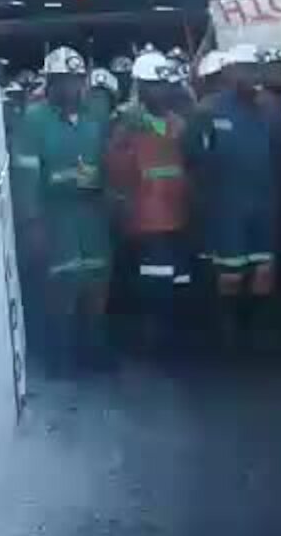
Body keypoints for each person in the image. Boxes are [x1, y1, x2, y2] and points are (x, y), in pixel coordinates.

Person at [11, 46, 113, 375]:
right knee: (61, 285)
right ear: (51, 83)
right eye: (65, 81)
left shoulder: (93, 117)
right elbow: (25, 176)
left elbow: (107, 163)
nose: (72, 87)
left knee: (96, 279)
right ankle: (59, 355)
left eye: (77, 80)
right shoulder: (34, 120)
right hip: (54, 214)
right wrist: (32, 223)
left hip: (91, 212)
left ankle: (93, 348)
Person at [184, 45, 281, 348]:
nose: (251, 75)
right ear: (229, 72)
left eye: (256, 69)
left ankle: (255, 327)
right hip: (226, 204)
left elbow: (280, 156)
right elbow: (192, 158)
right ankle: (228, 329)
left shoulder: (269, 109)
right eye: (244, 68)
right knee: (230, 274)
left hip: (263, 202)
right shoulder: (208, 110)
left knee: (263, 270)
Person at [106, 51, 193, 353]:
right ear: (141, 87)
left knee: (178, 280)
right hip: (146, 216)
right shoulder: (126, 125)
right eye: (155, 85)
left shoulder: (178, 122)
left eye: (165, 85)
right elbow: (115, 171)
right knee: (155, 281)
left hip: (178, 213)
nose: (163, 91)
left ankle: (175, 338)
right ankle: (153, 341)